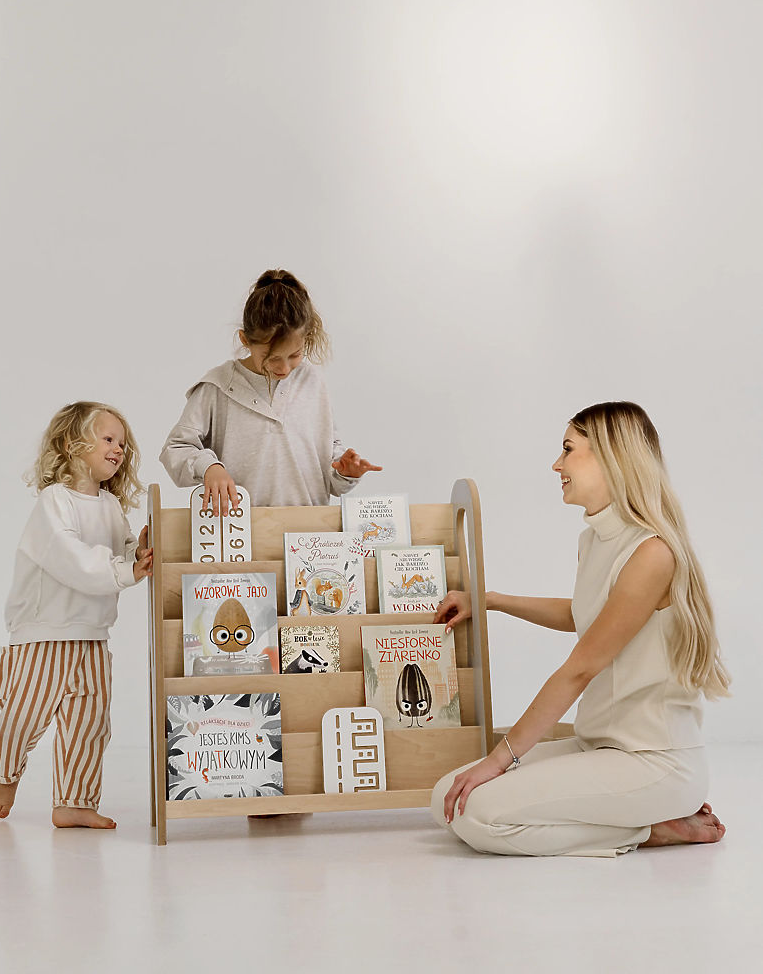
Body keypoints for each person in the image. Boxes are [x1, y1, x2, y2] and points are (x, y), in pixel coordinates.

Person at [432, 401, 729, 858]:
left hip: (652, 763)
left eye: (568, 449)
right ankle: (641, 824)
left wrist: (499, 759)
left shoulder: (651, 553)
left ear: (611, 456)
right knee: (446, 798)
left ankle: (652, 829)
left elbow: (580, 668)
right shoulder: (593, 541)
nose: (557, 464)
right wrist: (487, 599)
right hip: (599, 749)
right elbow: (582, 615)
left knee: (480, 815)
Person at [0, 402, 153, 829]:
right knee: (26, 712)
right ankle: (6, 776)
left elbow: (122, 551)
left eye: (122, 443)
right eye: (108, 439)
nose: (118, 449)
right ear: (71, 445)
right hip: (46, 631)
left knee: (89, 721)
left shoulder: (111, 506)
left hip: (93, 633)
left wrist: (138, 551)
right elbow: (70, 558)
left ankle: (74, 801)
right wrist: (126, 570)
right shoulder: (54, 501)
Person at [160, 269, 381, 513]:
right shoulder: (217, 387)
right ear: (245, 340)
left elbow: (329, 458)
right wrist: (209, 467)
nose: (284, 368)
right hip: (242, 529)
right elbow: (176, 448)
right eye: (272, 357)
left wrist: (344, 471)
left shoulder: (312, 381)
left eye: (295, 355)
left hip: (310, 529)